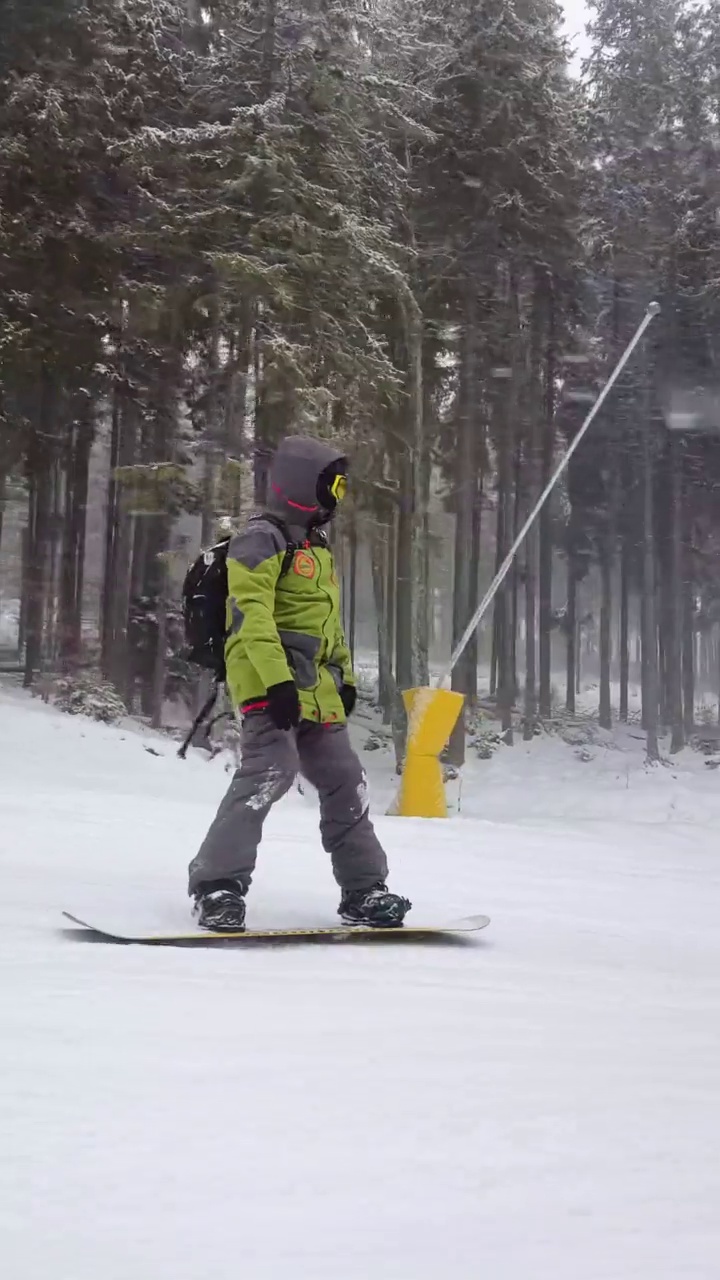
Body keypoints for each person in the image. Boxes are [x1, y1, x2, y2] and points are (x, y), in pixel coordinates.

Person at [188, 435, 411, 933]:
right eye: (332, 484)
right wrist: (276, 683)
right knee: (272, 771)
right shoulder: (259, 539)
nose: (338, 495)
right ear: (301, 486)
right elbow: (251, 614)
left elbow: (327, 623)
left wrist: (346, 678)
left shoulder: (316, 545)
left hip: (318, 689)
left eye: (342, 486)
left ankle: (364, 890)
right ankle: (216, 885)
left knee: (345, 780)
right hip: (269, 684)